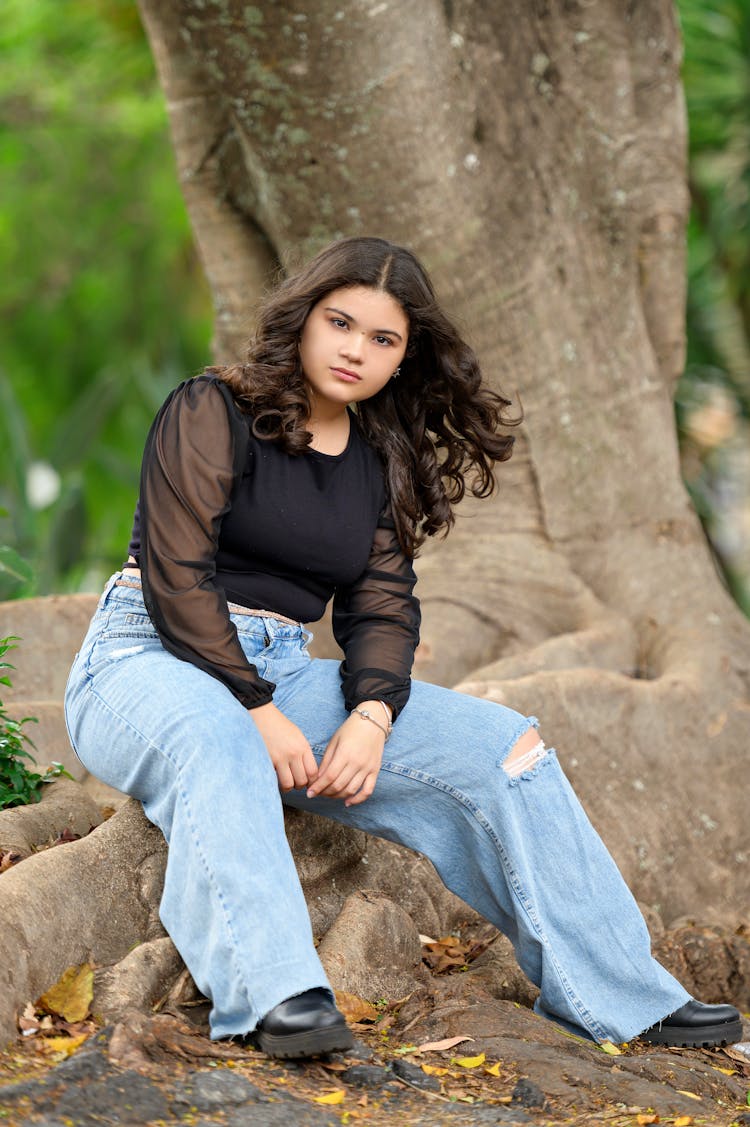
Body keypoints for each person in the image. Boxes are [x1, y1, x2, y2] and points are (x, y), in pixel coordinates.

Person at [64, 236, 742, 1060]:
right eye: (340, 322)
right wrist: (257, 707)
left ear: (404, 357)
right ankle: (276, 997)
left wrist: (374, 712)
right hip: (145, 659)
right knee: (218, 737)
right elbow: (176, 577)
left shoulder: (377, 459)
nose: (356, 349)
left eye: (383, 339)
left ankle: (626, 999)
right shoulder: (211, 409)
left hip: (275, 668)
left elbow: (383, 605)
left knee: (507, 745)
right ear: (304, 321)